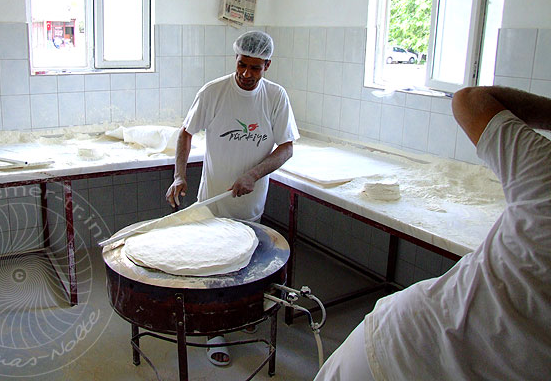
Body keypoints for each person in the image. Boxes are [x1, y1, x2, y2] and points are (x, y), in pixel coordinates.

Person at [314, 86, 551, 380]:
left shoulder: (544, 170)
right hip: (397, 350)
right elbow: (469, 100)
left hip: (403, 338)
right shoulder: (545, 172)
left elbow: (471, 101)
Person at [165, 30, 299, 366]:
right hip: (213, 202)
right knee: (213, 266)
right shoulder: (214, 92)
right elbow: (185, 133)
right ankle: (214, 331)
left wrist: (253, 174)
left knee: (246, 265)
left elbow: (287, 147)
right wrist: (179, 174)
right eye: (242, 65)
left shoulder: (275, 97)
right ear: (235, 60)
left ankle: (238, 317)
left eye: (256, 68)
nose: (246, 74)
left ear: (267, 65)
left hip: (250, 204)